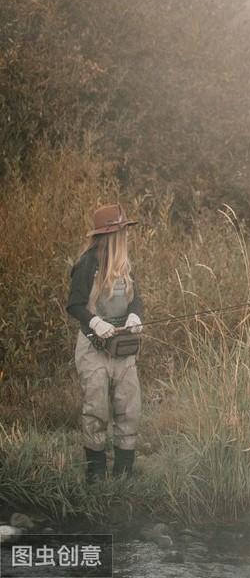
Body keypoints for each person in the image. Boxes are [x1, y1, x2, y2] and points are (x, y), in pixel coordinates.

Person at [66, 204, 145, 482]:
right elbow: (74, 305)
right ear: (109, 234)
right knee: (96, 409)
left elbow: (136, 297)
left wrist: (136, 314)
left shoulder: (125, 263)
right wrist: (95, 322)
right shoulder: (87, 262)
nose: (125, 235)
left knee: (129, 407)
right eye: (121, 230)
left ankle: (124, 472)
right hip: (92, 348)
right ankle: (96, 472)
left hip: (122, 348)